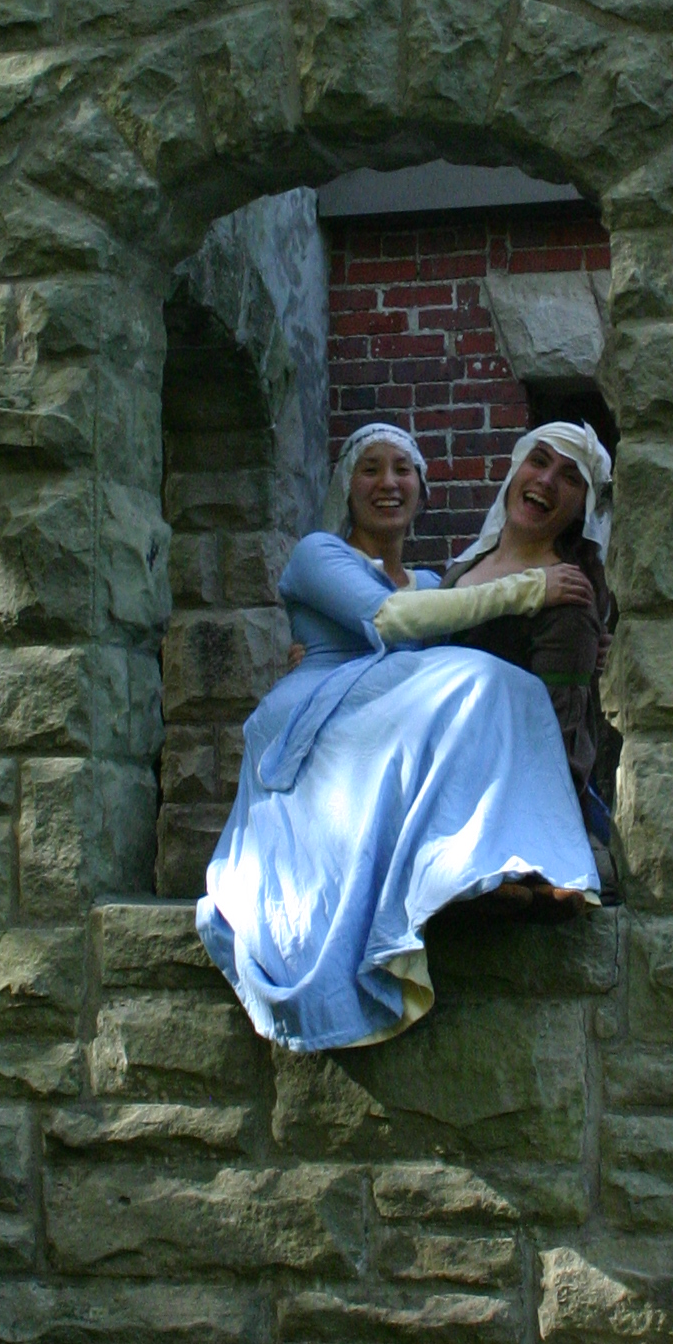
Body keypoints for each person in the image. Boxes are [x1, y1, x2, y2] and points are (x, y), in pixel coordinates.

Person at [197, 422, 601, 1053]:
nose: (387, 482)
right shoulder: (318, 555)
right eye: (371, 468)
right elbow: (392, 620)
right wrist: (530, 588)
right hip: (318, 722)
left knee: (493, 691)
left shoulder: (436, 586)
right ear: (346, 486)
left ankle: (480, 863)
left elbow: (439, 629)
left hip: (386, 719)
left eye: (402, 470)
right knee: (484, 682)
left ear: (421, 490)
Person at [443, 424, 615, 798]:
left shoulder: (568, 598)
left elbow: (558, 751)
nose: (546, 480)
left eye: (570, 477)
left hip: (494, 798)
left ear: (582, 508)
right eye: (538, 461)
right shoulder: (466, 566)